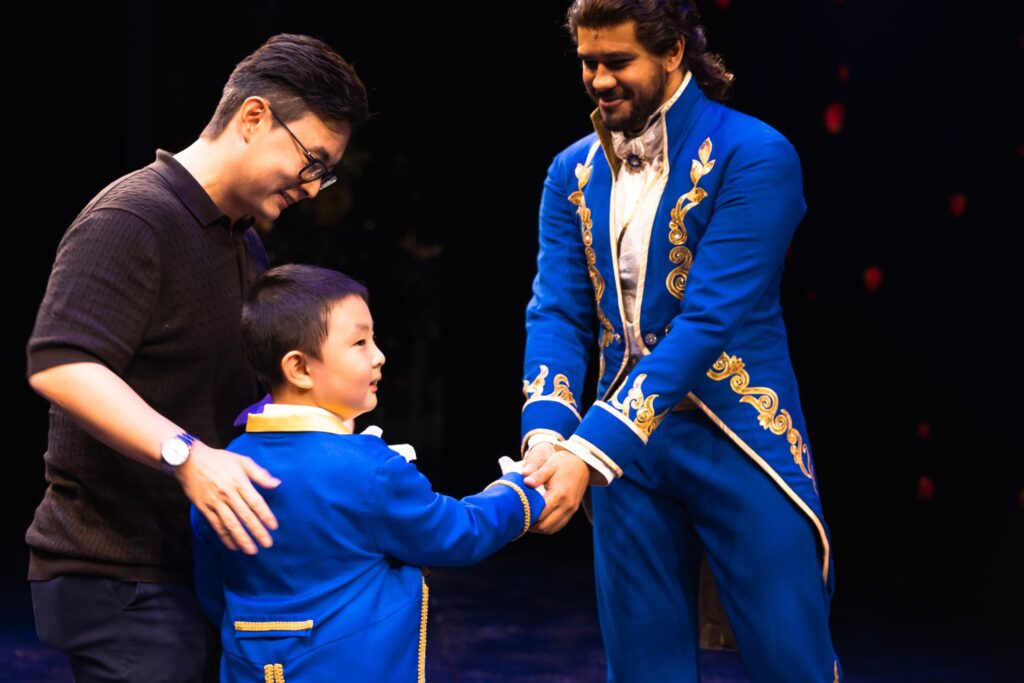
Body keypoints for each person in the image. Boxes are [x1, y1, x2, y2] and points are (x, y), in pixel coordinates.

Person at [25, 34, 368, 682]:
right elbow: (61, 363)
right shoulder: (134, 217)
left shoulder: (241, 243)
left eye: (327, 171)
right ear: (254, 117)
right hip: (122, 574)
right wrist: (186, 455)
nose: (316, 187)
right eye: (311, 161)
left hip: (189, 568)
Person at [519, 2, 841, 680]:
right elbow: (557, 313)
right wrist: (546, 437)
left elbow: (709, 321)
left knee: (792, 660)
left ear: (673, 55)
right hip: (624, 454)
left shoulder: (756, 154)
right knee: (641, 667)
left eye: (617, 62)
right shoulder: (570, 172)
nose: (599, 79)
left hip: (737, 432)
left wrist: (589, 447)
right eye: (588, 63)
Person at [191, 264, 544, 682]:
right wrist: (522, 490)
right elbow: (457, 533)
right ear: (299, 368)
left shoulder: (223, 467)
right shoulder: (368, 469)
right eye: (360, 342)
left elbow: (212, 591)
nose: (379, 355)